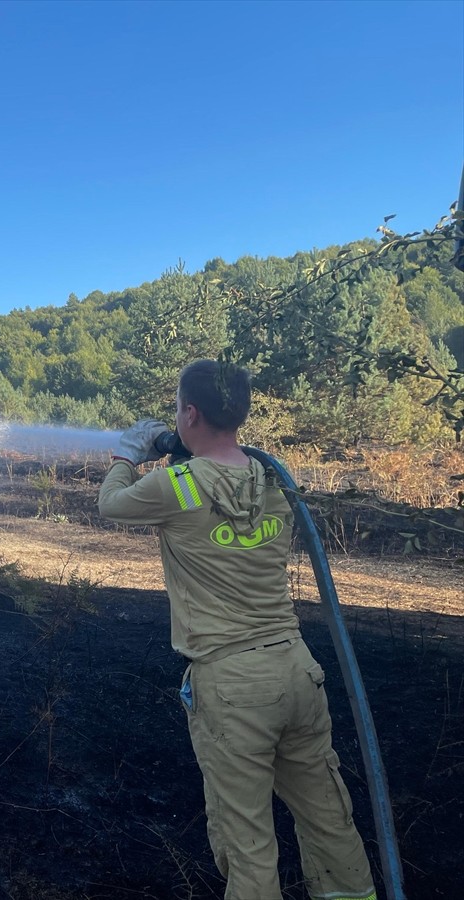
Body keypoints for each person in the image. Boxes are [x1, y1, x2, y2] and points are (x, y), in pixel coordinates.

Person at [97, 359, 376, 900]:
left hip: (233, 684)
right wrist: (183, 443)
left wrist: (127, 454)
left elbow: (111, 503)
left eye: (180, 410)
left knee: (247, 842)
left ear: (191, 412)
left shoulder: (175, 487)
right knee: (328, 817)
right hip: (297, 669)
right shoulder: (274, 478)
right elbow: (222, 476)